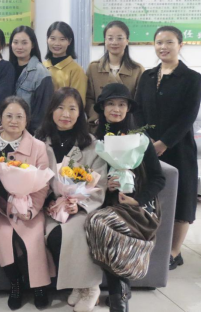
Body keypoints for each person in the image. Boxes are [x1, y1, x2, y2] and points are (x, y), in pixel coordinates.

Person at [88, 83, 165, 312]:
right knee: (102, 222)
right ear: (102, 108)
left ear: (128, 108)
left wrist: (138, 200)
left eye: (122, 104)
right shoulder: (94, 138)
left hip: (136, 205)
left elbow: (158, 178)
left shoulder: (140, 138)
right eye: (111, 104)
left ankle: (118, 294)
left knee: (105, 224)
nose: (116, 109)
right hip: (103, 201)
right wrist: (104, 183)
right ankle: (118, 291)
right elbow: (83, 175)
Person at [134, 26, 201, 270]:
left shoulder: (192, 78)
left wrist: (163, 143)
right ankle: (155, 247)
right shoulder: (148, 76)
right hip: (149, 148)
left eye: (169, 42)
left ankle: (174, 251)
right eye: (159, 42)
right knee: (155, 197)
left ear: (180, 45)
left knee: (182, 198)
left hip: (179, 148)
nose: (163, 47)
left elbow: (188, 116)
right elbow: (138, 109)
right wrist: (148, 140)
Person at [37, 88, 106, 312]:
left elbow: (99, 182)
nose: (65, 114)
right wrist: (47, 201)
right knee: (53, 235)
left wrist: (80, 204)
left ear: (80, 114)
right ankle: (78, 284)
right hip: (50, 208)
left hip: (81, 208)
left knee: (73, 233)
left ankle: (91, 287)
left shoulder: (91, 144)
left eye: (72, 108)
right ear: (51, 111)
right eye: (60, 107)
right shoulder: (40, 142)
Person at [0, 97, 51, 310]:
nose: (14, 121)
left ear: (27, 120)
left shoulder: (38, 147)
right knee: (1, 236)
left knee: (33, 237)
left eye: (19, 116)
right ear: (0, 117)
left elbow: (43, 184)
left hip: (28, 207)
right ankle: (16, 284)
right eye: (9, 116)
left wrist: (31, 210)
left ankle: (40, 286)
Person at [85, 21, 144, 126]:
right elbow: (89, 98)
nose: (114, 42)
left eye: (119, 38)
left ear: (127, 41)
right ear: (105, 41)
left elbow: (140, 101)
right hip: (99, 125)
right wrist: (96, 118)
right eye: (110, 38)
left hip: (128, 126)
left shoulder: (137, 70)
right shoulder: (93, 68)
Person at [8, 26, 53, 133]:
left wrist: (31, 136)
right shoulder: (7, 69)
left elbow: (42, 113)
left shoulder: (41, 73)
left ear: (32, 44)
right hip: (7, 130)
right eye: (15, 42)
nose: (19, 47)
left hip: (28, 133)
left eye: (24, 43)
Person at [42, 22, 87, 103]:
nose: (57, 43)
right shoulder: (41, 66)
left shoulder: (76, 70)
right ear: (47, 40)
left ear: (69, 41)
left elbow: (78, 102)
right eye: (53, 38)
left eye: (62, 39)